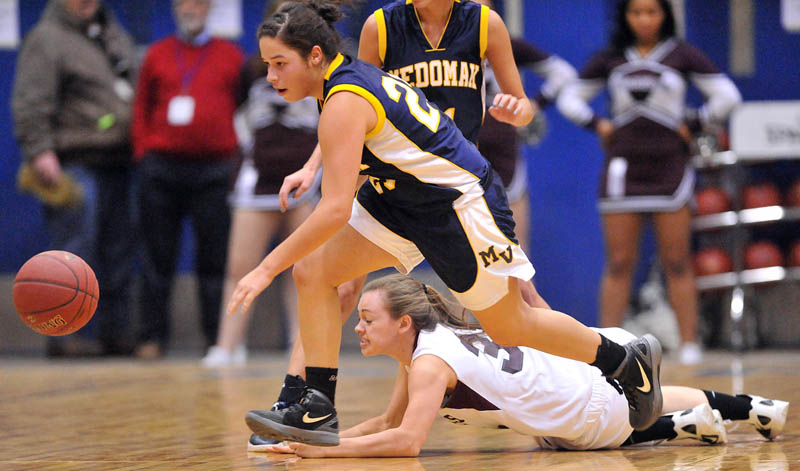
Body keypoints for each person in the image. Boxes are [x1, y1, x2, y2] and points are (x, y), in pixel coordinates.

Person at [231, 0, 665, 448]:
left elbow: (334, 209)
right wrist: (311, 170)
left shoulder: (347, 96)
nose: (271, 77)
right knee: (315, 273)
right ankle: (315, 402)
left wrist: (265, 269)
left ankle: (623, 360)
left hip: (458, 206)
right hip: (400, 200)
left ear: (315, 57)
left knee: (512, 325)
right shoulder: (354, 71)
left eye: (280, 64)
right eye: (268, 64)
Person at [250, 0, 553, 432]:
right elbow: (346, 95)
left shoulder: (484, 23)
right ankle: (298, 401)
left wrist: (515, 110)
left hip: (453, 186)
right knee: (326, 278)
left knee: (523, 301)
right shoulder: (384, 26)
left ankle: (590, 377)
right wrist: (313, 165)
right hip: (388, 181)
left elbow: (522, 106)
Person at [249, 273, 789, 456]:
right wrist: (313, 441)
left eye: (367, 319)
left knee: (558, 438)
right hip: (583, 371)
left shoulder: (432, 363)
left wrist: (323, 452)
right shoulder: (434, 341)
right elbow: (388, 424)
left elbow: (406, 443)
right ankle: (756, 407)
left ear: (404, 324)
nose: (358, 328)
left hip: (587, 414)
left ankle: (672, 428)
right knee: (648, 393)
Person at [556, 0, 742, 365]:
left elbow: (728, 97)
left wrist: (697, 120)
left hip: (670, 167)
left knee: (676, 260)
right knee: (619, 262)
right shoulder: (610, 58)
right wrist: (598, 125)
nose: (644, 19)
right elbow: (569, 98)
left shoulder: (682, 55)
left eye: (652, 12)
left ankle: (689, 344)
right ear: (625, 16)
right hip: (623, 169)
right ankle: (605, 348)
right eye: (636, 12)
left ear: (665, 16)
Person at [11, 0, 138, 357]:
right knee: (71, 254)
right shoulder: (46, 38)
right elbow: (30, 100)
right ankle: (65, 334)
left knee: (117, 253)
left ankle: (115, 333)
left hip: (118, 161)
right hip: (73, 162)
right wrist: (39, 150)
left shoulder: (112, 34)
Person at [201, 7, 321, 367]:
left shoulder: (321, 71)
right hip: (258, 178)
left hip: (304, 178)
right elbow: (237, 117)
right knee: (240, 266)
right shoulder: (251, 70)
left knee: (303, 271)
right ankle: (228, 345)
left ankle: (301, 348)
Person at [131, 0, 244, 359]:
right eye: (184, 2)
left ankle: (216, 339)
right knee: (156, 257)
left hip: (213, 170)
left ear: (210, 8)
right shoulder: (157, 55)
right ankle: (151, 338)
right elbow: (140, 108)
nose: (190, 8)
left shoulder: (231, 56)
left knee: (213, 259)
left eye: (198, 2)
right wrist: (143, 154)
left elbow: (241, 108)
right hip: (161, 169)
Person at [475, 0, 577, 253]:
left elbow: (563, 74)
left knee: (514, 243)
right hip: (459, 147)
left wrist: (534, 103)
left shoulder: (509, 45)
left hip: (503, 147)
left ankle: (521, 291)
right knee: (466, 247)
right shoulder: (441, 52)